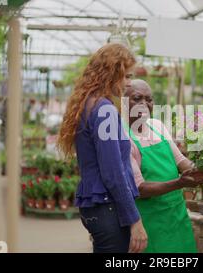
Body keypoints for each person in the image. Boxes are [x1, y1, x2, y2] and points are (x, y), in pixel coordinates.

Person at [57, 44, 147, 253]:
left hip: (95, 206)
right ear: (111, 74)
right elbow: (113, 173)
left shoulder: (88, 103)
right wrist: (134, 220)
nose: (129, 82)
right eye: (126, 76)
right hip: (108, 207)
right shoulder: (105, 110)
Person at [124, 79, 203, 253]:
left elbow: (180, 160)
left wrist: (201, 170)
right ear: (124, 102)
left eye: (149, 99)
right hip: (150, 221)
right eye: (137, 98)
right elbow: (140, 189)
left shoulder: (157, 126)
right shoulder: (123, 137)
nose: (144, 104)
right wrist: (179, 183)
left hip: (177, 214)